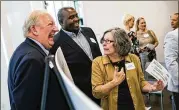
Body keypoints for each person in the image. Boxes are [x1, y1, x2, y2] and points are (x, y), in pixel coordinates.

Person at [8, 10, 73, 110]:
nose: (56, 29)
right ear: (34, 29)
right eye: (50, 24)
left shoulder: (25, 49)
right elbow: (25, 106)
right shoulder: (32, 60)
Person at [91, 27, 164, 110]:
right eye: (103, 40)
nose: (104, 44)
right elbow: (96, 93)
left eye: (108, 41)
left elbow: (141, 82)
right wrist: (114, 82)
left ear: (120, 43)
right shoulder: (97, 63)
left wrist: (152, 87)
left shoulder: (134, 59)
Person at [50, 7, 102, 105]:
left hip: (101, 86)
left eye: (76, 16)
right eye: (71, 17)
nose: (76, 19)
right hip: (81, 92)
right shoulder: (56, 41)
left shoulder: (88, 31)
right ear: (61, 22)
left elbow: (98, 55)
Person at [164, 12, 178, 110]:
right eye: (171, 19)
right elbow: (171, 62)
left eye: (174, 20)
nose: (171, 22)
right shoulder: (172, 35)